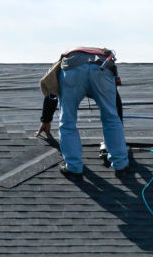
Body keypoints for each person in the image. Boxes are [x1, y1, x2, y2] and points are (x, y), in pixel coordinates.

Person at [37, 47, 131, 176]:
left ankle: (73, 168)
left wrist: (46, 120)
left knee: (67, 121)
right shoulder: (102, 58)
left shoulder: (63, 62)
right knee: (111, 118)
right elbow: (116, 103)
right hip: (102, 69)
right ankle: (121, 166)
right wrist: (118, 129)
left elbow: (52, 91)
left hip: (72, 70)